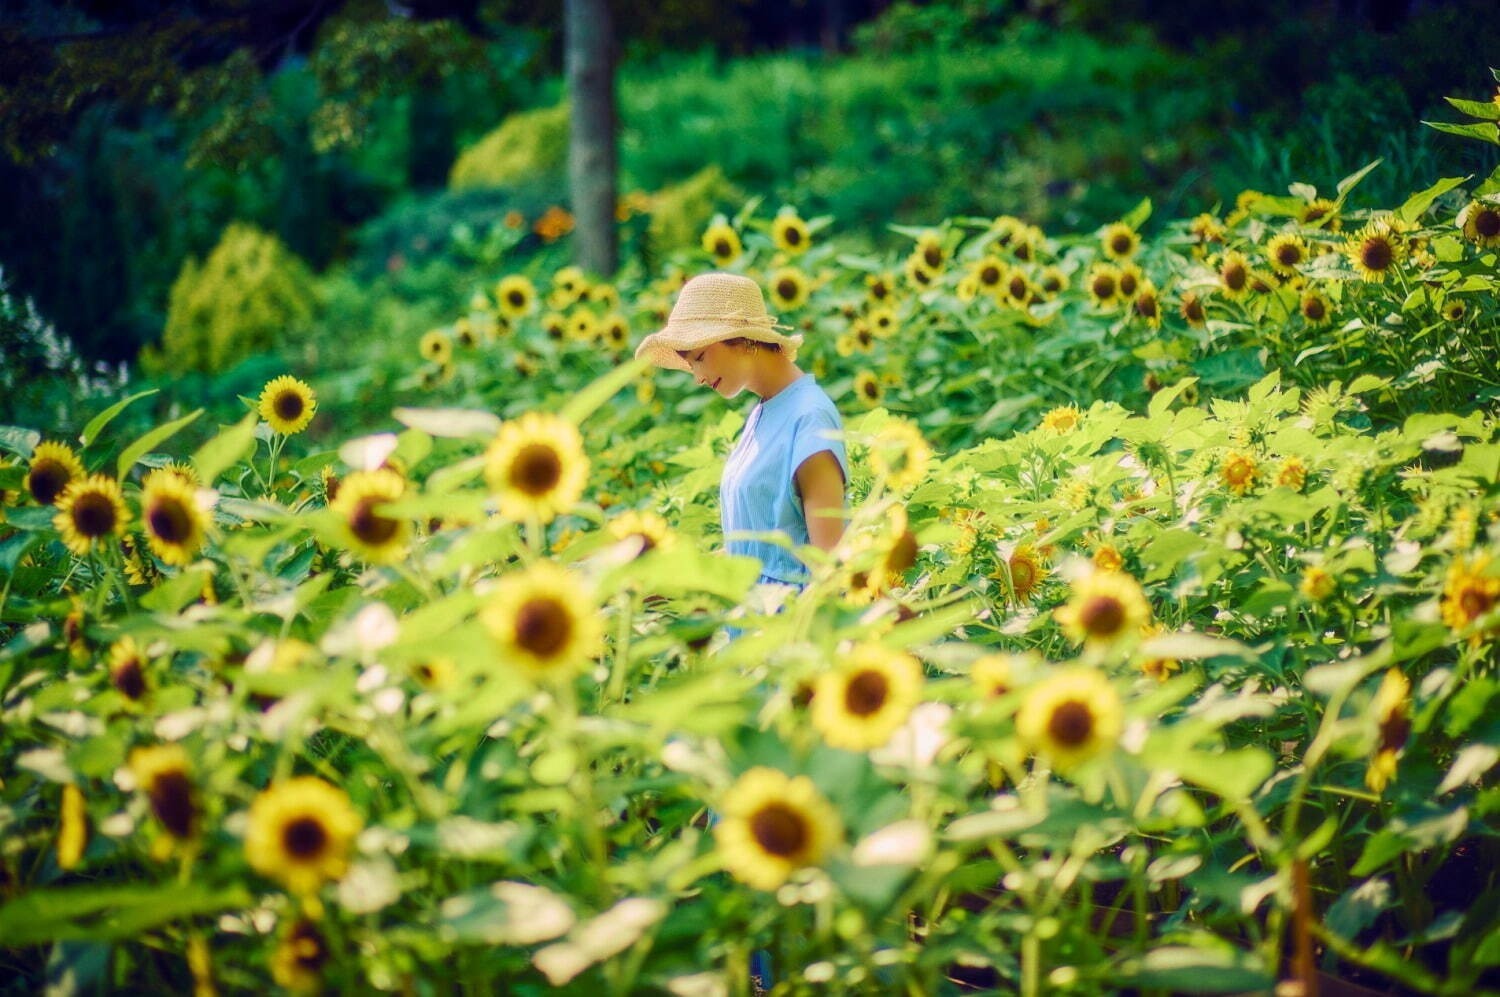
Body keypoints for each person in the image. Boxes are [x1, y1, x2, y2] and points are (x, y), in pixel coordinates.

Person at [635, 271, 848, 592]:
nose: (698, 377)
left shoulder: (809, 416)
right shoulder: (763, 413)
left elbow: (830, 567)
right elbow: (755, 551)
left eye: (701, 358)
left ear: (745, 339)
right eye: (691, 365)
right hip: (750, 625)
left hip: (791, 629)